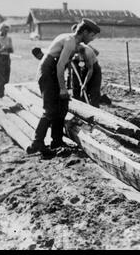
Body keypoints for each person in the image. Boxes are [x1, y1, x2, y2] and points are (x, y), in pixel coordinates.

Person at [26, 18, 101, 156]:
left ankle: (57, 141)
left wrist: (64, 88)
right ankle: (37, 143)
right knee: (50, 110)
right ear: (84, 32)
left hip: (53, 72)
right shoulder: (70, 41)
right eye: (91, 36)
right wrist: (62, 88)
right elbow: (60, 65)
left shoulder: (73, 41)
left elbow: (63, 65)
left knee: (63, 106)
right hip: (48, 72)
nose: (92, 39)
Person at [71, 42, 103, 107]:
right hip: (85, 68)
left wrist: (85, 84)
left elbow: (90, 70)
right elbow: (81, 63)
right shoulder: (76, 50)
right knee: (82, 94)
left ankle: (95, 111)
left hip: (94, 71)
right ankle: (83, 109)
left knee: (94, 93)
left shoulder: (88, 53)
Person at [0, 23, 14, 98]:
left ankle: (1, 92)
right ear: (1, 29)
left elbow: (11, 50)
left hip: (7, 58)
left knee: (6, 78)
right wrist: (2, 49)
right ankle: (0, 94)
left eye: (7, 30)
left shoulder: (9, 38)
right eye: (4, 30)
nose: (6, 32)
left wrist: (9, 48)